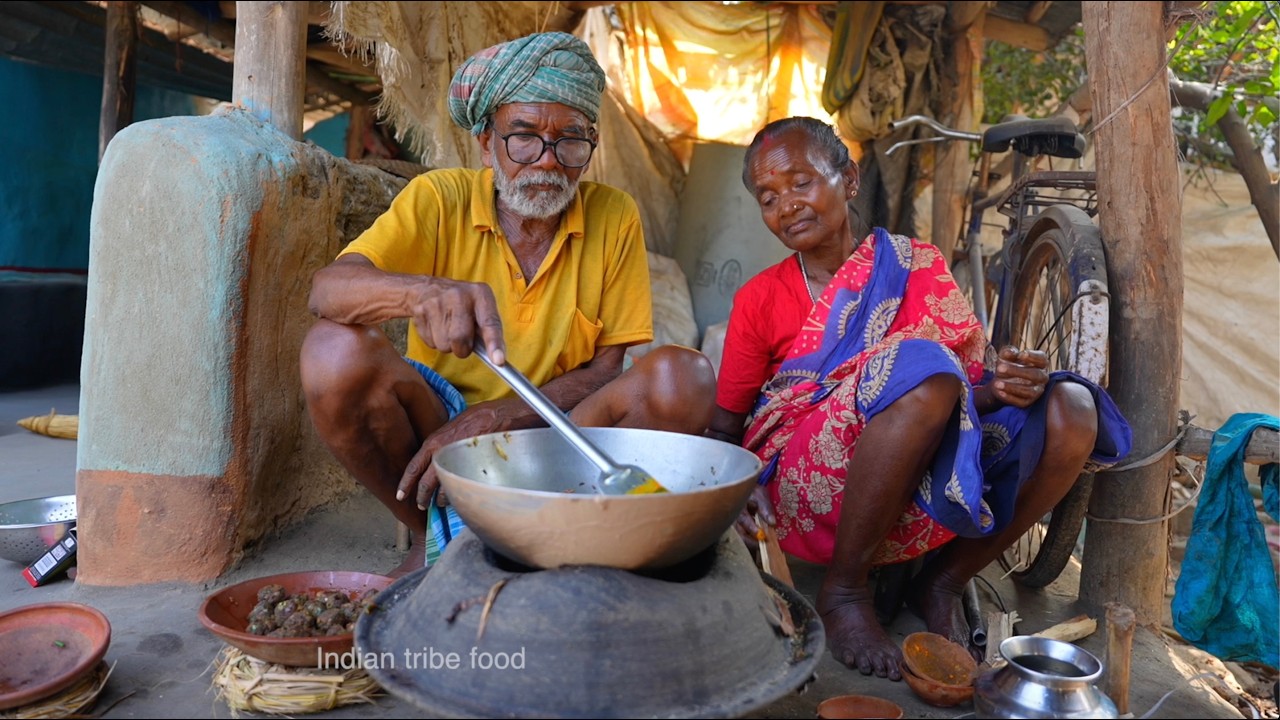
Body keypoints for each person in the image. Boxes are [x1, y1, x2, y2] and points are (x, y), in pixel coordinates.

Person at [706, 117, 1132, 679]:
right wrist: (726, 498)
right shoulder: (760, 299)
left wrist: (1002, 386)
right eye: (768, 196)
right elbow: (724, 428)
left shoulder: (917, 266)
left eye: (801, 182)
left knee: (1070, 409)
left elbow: (964, 390)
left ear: (849, 179)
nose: (786, 205)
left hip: (922, 445)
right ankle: (845, 591)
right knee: (922, 364)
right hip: (805, 486)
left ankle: (945, 580)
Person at [300, 31, 716, 577]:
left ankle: (577, 533)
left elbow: (607, 369)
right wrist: (421, 291)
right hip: (439, 428)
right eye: (523, 137)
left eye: (569, 141)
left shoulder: (614, 215)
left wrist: (500, 416)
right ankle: (436, 541)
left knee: (684, 376)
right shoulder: (438, 199)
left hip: (558, 428)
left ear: (590, 147)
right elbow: (326, 292)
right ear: (486, 142)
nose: (546, 162)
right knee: (333, 352)